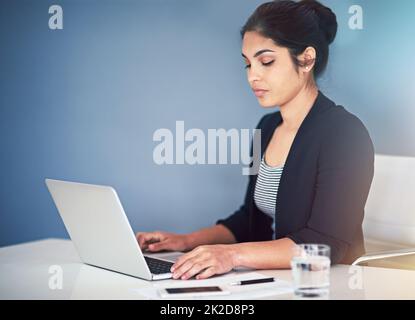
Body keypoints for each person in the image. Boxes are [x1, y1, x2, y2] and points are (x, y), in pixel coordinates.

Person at [137, 0, 374, 280]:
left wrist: (232, 255)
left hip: (333, 283)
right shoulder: (267, 126)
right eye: (248, 64)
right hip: (281, 280)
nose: (253, 76)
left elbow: (325, 245)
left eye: (266, 61)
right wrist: (186, 241)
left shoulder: (344, 133)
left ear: (307, 59)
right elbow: (249, 219)